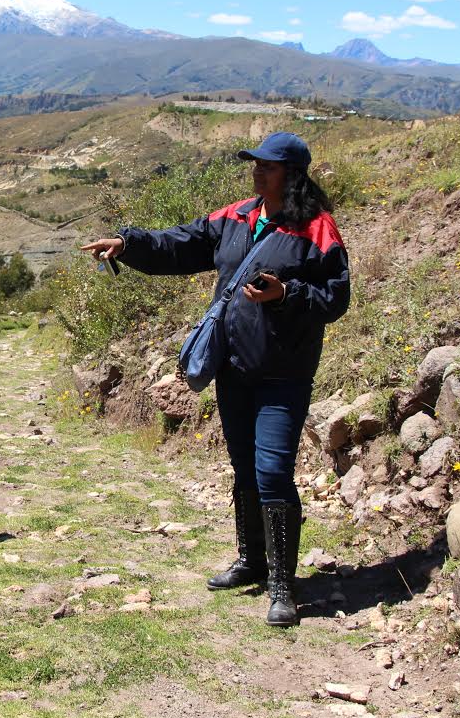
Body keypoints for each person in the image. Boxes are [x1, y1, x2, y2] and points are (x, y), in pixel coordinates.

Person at [80, 132, 350, 627]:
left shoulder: (317, 228)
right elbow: (182, 243)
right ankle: (251, 561)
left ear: (292, 174)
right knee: (244, 466)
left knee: (272, 470)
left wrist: (286, 294)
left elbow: (335, 298)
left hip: (283, 372)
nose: (257, 173)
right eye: (255, 165)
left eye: (267, 167)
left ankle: (283, 586)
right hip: (235, 367)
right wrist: (128, 243)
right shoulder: (237, 217)